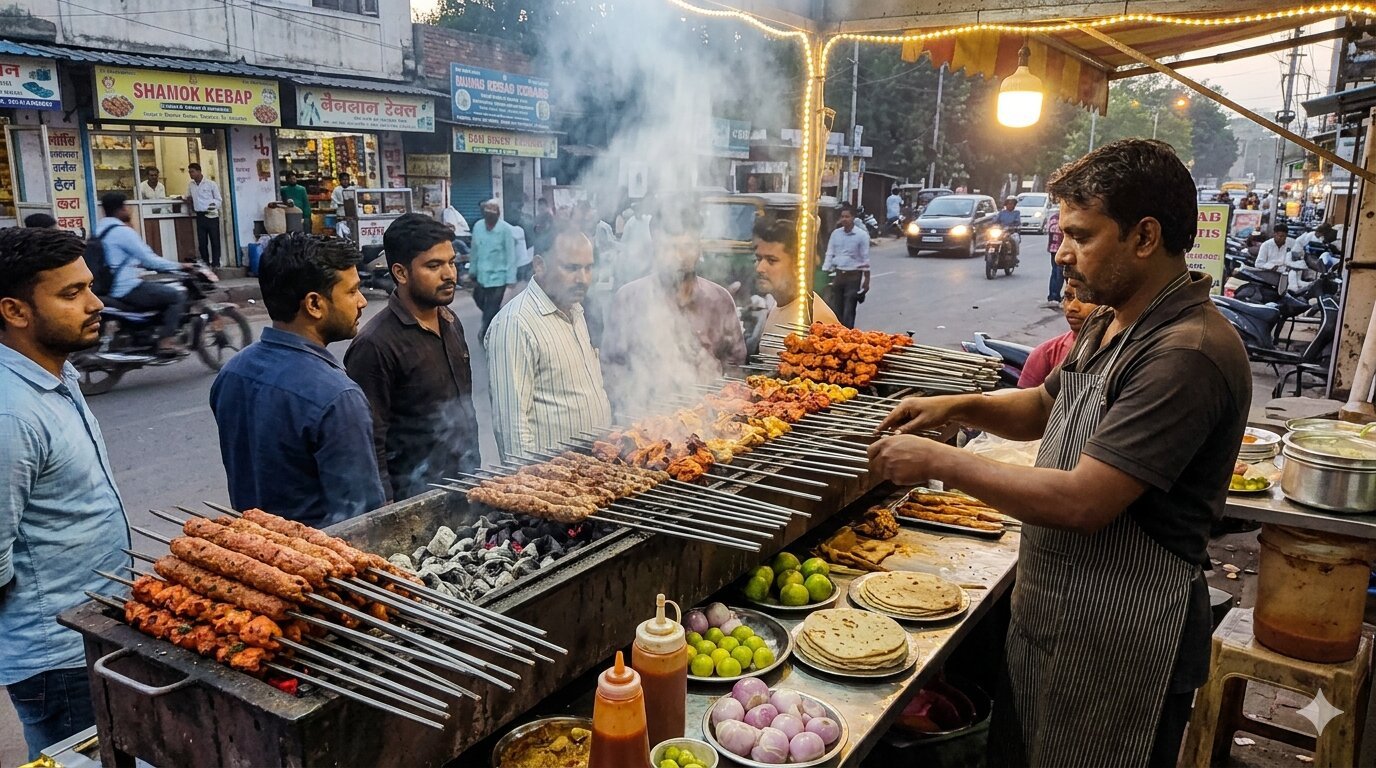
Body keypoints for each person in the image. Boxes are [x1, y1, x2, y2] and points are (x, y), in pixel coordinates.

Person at [869, 139, 1251, 768]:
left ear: (1145, 236)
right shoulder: (1114, 317)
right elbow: (1047, 406)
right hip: (1059, 608)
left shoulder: (1185, 352)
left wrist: (940, 461)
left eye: (1080, 234)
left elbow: (1083, 503)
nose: (1062, 252)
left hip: (1125, 633)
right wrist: (951, 406)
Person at [0, 226, 130, 760]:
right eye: (71, 294)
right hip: (59, 659)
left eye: (90, 287)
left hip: (95, 636)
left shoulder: (57, 374)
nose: (95, 303)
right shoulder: (11, 415)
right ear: (15, 311)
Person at [209, 232, 382, 527]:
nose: (362, 301)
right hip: (318, 563)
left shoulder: (232, 372)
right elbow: (362, 517)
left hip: (258, 552)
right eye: (352, 292)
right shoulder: (337, 397)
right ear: (314, 304)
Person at [344, 214, 480, 502]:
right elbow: (371, 443)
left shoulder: (450, 321)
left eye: (451, 262)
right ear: (401, 273)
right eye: (434, 265)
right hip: (414, 499)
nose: (450, 275)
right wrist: (388, 511)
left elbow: (463, 410)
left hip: (465, 485)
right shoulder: (375, 345)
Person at [602, 203, 745, 416]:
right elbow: (612, 366)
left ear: (698, 247)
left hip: (707, 421)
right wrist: (629, 407)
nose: (679, 255)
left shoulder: (719, 300)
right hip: (647, 421)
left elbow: (735, 365)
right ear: (655, 248)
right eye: (669, 248)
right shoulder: (629, 299)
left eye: (687, 246)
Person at [486, 223, 613, 459]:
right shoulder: (516, 323)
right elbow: (512, 428)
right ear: (539, 265)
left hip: (593, 467)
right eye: (571, 268)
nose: (583, 279)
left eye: (588, 268)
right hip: (553, 480)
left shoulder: (576, 310)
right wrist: (530, 487)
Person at [95, 192, 188, 353]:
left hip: (105, 288)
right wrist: (180, 266)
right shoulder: (122, 232)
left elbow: (119, 259)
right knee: (175, 296)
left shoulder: (99, 230)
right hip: (126, 288)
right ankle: (166, 342)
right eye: (126, 206)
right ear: (122, 209)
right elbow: (149, 260)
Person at [750, 218, 839, 356]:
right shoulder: (775, 305)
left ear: (797, 266)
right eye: (758, 259)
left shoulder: (815, 316)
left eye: (771, 260)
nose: (760, 268)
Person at [1017, 285, 1096, 389]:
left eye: (1085, 298)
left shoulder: (1120, 354)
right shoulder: (1045, 353)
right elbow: (1027, 401)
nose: (1072, 307)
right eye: (1068, 297)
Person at [469, 199, 518, 339]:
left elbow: (511, 254)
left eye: (493, 212)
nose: (490, 215)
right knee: (478, 299)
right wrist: (472, 271)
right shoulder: (478, 227)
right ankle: (497, 319)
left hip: (499, 277)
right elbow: (474, 250)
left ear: (498, 214)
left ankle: (486, 332)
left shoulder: (505, 230)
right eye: (487, 212)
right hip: (481, 276)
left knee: (491, 306)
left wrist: (511, 278)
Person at [822, 204, 870, 329]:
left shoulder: (861, 236)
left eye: (847, 216)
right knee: (837, 308)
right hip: (839, 275)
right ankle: (838, 335)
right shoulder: (836, 234)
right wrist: (825, 271)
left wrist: (866, 280)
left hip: (854, 276)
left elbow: (865, 258)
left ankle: (848, 336)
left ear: (853, 218)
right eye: (842, 217)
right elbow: (829, 253)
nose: (844, 219)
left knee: (849, 308)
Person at [184, 162, 223, 267]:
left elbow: (219, 200)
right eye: (189, 172)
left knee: (214, 240)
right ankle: (205, 262)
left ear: (199, 171)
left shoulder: (210, 184)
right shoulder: (191, 185)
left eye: (192, 172)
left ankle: (216, 263)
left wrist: (212, 206)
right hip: (200, 215)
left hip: (211, 215)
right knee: (202, 242)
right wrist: (188, 201)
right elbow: (187, 196)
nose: (190, 174)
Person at [1252, 223, 1293, 293]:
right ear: (1274, 234)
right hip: (1270, 275)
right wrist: (1271, 267)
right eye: (1279, 236)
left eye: (1284, 236)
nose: (1281, 238)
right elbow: (1258, 263)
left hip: (1286, 276)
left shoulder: (1292, 244)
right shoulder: (1266, 245)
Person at [1044, 209, 1065, 308]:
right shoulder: (1056, 218)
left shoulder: (1060, 218)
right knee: (1057, 273)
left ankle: (1056, 296)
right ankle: (1054, 296)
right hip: (1057, 250)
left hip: (1062, 249)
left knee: (1058, 273)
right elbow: (1053, 229)